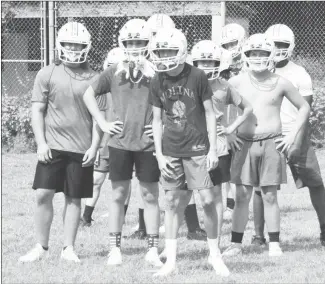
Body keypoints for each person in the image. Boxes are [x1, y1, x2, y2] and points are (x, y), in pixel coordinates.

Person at [19, 22, 105, 263]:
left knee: (74, 198)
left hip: (81, 148)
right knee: (43, 195)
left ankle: (68, 248)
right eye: (69, 44)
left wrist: (94, 147)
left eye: (78, 45)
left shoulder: (95, 78)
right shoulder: (47, 73)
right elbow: (37, 110)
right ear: (60, 44)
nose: (73, 49)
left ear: (87, 47)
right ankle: (41, 246)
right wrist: (41, 143)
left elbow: (100, 119)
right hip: (52, 146)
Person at [150, 27, 230, 277]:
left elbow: (209, 113)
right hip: (171, 150)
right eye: (160, 51)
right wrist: (160, 155)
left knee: (207, 200)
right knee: (172, 202)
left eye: (169, 51)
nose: (163, 56)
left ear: (181, 49)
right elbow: (156, 120)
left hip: (198, 149)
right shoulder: (157, 79)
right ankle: (171, 261)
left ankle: (215, 255)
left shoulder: (197, 75)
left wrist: (213, 149)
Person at [222, 33, 310, 257]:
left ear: (270, 55)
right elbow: (216, 104)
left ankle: (274, 243)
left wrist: (291, 136)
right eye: (254, 53)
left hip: (272, 143)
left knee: (270, 195)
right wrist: (228, 133)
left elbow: (304, 107)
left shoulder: (281, 82)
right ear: (246, 55)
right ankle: (236, 244)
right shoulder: (236, 81)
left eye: (262, 53)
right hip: (243, 144)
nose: (258, 57)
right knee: (242, 196)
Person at [83, 18, 162, 267]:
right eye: (131, 42)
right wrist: (103, 122)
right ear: (123, 43)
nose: (135, 46)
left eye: (140, 42)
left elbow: (172, 103)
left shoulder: (156, 72)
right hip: (119, 143)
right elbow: (88, 93)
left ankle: (152, 248)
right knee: (118, 194)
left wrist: (164, 126)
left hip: (148, 143)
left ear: (148, 43)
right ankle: (114, 249)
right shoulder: (113, 71)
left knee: (150, 195)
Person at [250, 24, 325, 247]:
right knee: (261, 188)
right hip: (267, 135)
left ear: (290, 46)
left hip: (295, 133)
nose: (276, 49)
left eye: (281, 45)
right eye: (272, 45)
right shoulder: (257, 71)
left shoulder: (298, 73)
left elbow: (306, 109)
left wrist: (295, 137)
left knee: (315, 183)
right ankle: (258, 236)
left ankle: (324, 230)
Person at [191, 40, 253, 244]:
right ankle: (179, 235)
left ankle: (214, 242)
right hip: (190, 145)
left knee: (216, 195)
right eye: (202, 62)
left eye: (211, 63)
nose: (207, 67)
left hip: (217, 146)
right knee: (183, 193)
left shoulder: (224, 87)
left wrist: (230, 128)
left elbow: (248, 108)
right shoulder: (187, 84)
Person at [81, 47, 132, 227]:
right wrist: (95, 147)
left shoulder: (134, 87)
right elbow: (98, 120)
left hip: (127, 143)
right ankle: (86, 217)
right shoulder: (102, 89)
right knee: (96, 180)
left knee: (124, 183)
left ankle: (122, 217)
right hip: (106, 143)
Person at [219, 23, 247, 217]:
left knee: (241, 169)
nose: (230, 49)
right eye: (226, 45)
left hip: (244, 120)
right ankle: (229, 204)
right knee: (225, 167)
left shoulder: (250, 62)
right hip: (226, 120)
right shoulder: (222, 66)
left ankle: (239, 204)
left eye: (233, 44)